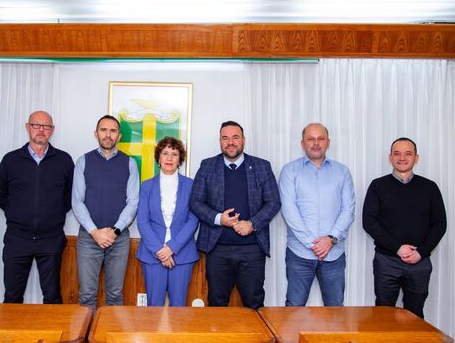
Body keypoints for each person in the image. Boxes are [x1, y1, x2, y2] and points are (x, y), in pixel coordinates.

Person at [190, 120, 281, 309]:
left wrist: (252, 224)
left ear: (243, 140)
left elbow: (273, 202)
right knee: (217, 304)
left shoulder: (262, 166)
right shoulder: (207, 166)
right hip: (218, 250)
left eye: (235, 137)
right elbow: (195, 202)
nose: (230, 142)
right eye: (225, 138)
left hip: (252, 249)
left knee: (254, 305)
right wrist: (219, 219)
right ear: (220, 141)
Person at [0, 110, 74, 304]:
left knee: (53, 295)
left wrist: (52, 214)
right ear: (27, 127)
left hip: (51, 239)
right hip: (17, 238)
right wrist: (16, 212)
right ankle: (13, 336)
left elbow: (71, 196)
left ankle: (55, 336)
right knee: (12, 296)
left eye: (46, 126)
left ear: (52, 130)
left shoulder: (63, 160)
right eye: (36, 125)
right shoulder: (11, 159)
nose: (41, 130)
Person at [363, 137, 446, 319]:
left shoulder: (430, 187)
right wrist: (398, 248)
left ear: (416, 158)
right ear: (390, 157)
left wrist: (421, 252)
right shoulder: (378, 186)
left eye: (408, 153)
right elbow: (369, 222)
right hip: (387, 261)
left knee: (415, 316)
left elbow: (440, 224)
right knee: (383, 315)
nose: (402, 157)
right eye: (397, 153)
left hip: (420, 261)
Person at [278, 123, 355, 307]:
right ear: (303, 143)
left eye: (320, 139)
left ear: (328, 142)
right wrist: (312, 243)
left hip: (334, 254)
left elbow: (348, 209)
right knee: (294, 309)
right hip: (299, 253)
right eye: (310, 139)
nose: (316, 143)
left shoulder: (342, 171)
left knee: (335, 309)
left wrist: (330, 239)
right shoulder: (290, 171)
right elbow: (289, 211)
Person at [72, 115, 139, 309]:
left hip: (119, 239)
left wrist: (114, 231)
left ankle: (109, 338)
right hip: (88, 238)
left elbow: (133, 202)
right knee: (86, 296)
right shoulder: (83, 161)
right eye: (103, 130)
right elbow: (77, 201)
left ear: (119, 136)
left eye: (113, 131)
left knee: (115, 295)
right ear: (96, 134)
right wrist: (95, 232)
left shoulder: (130, 163)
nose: (108, 135)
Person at [136, 136, 199, 306]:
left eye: (174, 154)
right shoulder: (147, 186)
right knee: (153, 307)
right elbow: (142, 221)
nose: (169, 158)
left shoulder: (191, 185)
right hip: (152, 254)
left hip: (183, 254)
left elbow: (193, 220)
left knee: (178, 307)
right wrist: (160, 251)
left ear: (180, 160)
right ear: (158, 158)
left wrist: (172, 247)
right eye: (165, 153)